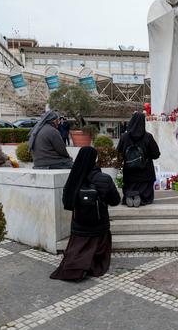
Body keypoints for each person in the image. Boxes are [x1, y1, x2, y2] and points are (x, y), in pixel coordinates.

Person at [50, 146, 121, 281]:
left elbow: (67, 202)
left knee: (77, 248)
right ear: (94, 159)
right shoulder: (104, 178)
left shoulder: (74, 178)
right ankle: (93, 266)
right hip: (99, 224)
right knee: (99, 244)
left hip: (79, 224)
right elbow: (115, 200)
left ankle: (76, 268)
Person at [116, 112, 161, 207]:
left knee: (130, 185)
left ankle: (130, 195)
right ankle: (142, 198)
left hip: (129, 172)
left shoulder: (124, 137)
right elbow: (156, 154)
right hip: (145, 172)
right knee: (145, 188)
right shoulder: (148, 137)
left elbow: (118, 152)